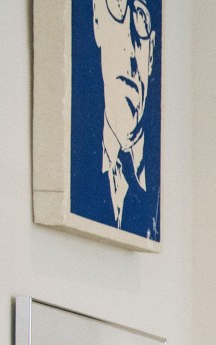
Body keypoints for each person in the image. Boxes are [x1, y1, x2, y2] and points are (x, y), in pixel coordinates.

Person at [72, 0, 160, 241]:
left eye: (140, 19)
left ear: (151, 54)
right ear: (97, 20)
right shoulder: (76, 168)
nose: (130, 51)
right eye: (117, 7)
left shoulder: (160, 193)